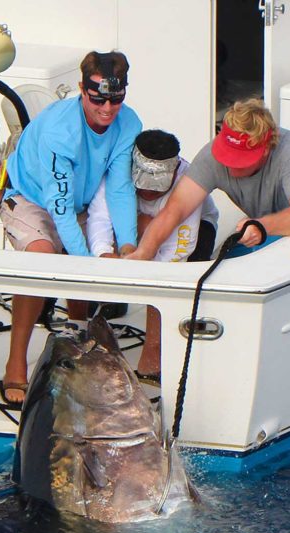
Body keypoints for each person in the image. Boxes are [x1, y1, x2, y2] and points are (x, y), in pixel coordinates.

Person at [0, 50, 142, 406]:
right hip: (30, 198)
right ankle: (15, 364)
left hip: (81, 201)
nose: (108, 110)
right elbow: (58, 209)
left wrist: (126, 248)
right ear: (81, 89)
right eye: (98, 100)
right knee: (45, 259)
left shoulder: (130, 123)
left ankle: (81, 350)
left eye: (116, 100)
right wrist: (89, 265)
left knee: (86, 266)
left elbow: (120, 188)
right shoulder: (59, 131)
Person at [126, 98, 290, 262]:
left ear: (266, 148)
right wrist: (144, 252)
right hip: (261, 220)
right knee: (227, 263)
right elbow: (176, 209)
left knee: (267, 263)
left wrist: (261, 225)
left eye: (240, 159)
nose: (230, 165)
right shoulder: (212, 155)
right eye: (227, 154)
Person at [85, 129, 218, 382]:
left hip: (193, 227)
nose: (148, 194)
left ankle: (154, 348)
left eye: (155, 190)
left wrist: (147, 276)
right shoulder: (118, 169)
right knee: (134, 228)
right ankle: (110, 306)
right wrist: (105, 256)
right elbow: (100, 217)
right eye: (142, 188)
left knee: (173, 279)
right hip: (133, 227)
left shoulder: (189, 180)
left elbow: (179, 250)